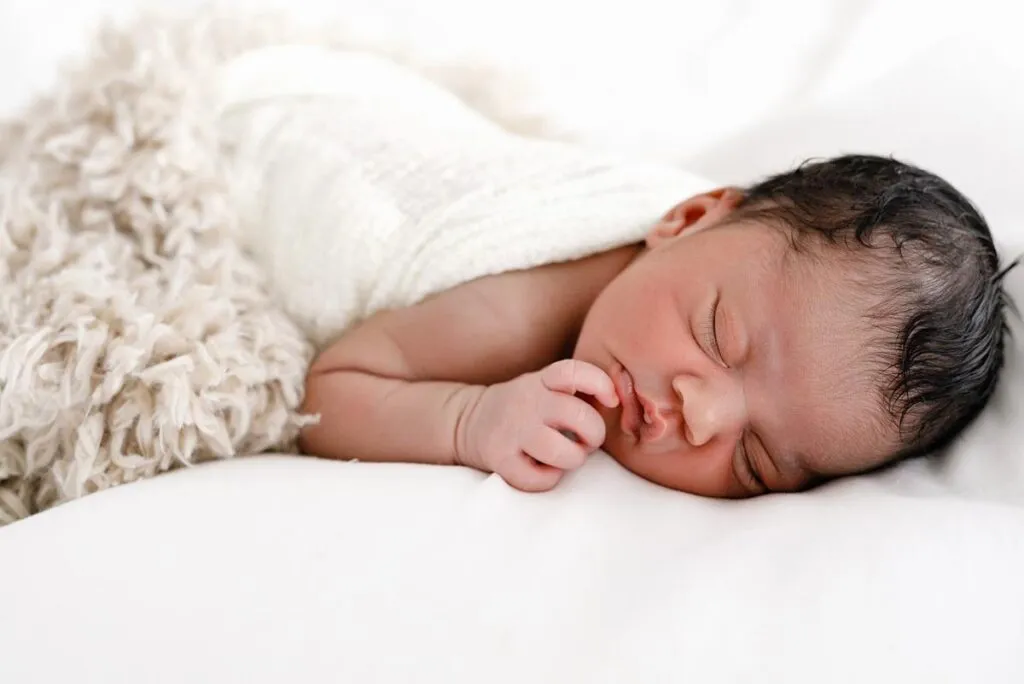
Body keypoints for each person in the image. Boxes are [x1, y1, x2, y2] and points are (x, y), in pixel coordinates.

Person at [296, 151, 1018, 498]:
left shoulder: (715, 272)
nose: (701, 417)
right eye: (716, 335)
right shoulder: (513, 312)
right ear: (688, 219)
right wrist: (468, 418)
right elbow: (325, 393)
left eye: (755, 462)